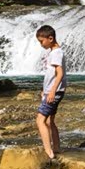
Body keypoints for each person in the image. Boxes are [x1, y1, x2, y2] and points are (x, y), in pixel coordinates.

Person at [35, 24, 66, 160]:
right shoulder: (54, 52)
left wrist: (52, 91)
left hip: (54, 92)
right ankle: (57, 148)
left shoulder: (56, 53)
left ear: (50, 38)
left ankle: (48, 151)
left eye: (42, 41)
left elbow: (60, 73)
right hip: (52, 91)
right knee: (49, 122)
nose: (41, 44)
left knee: (40, 120)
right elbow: (51, 75)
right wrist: (45, 90)